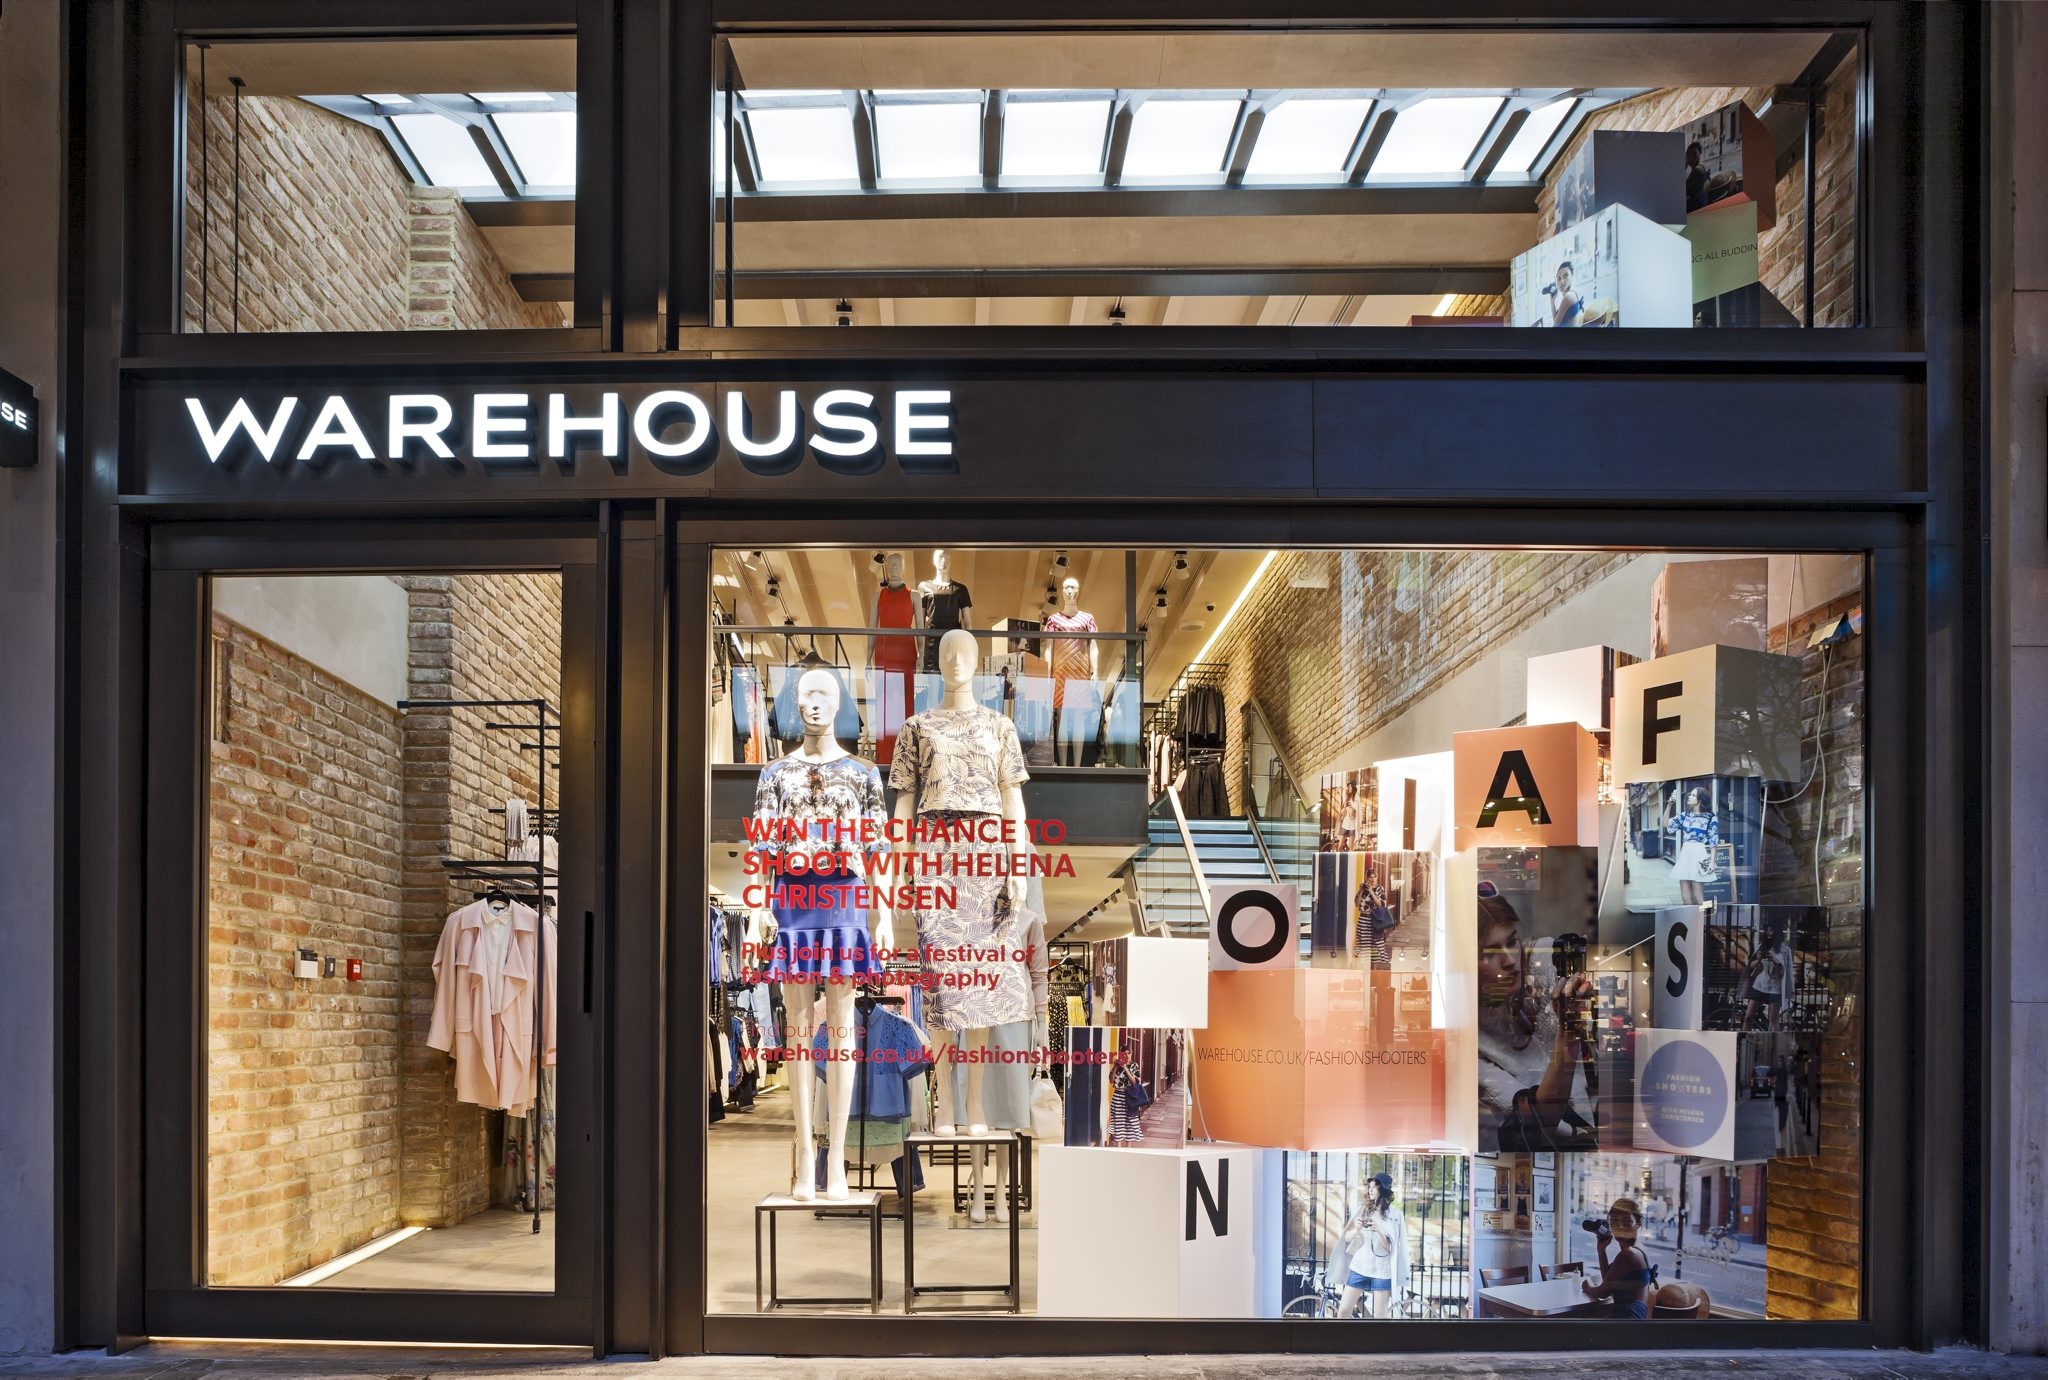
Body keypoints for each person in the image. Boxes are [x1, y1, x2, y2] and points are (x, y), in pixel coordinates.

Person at [1476, 886, 1597, 1151]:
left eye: (1511, 941)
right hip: (1560, 1147)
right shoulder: (1471, 1040)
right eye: (1490, 953)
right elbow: (1540, 1118)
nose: (1510, 960)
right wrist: (1568, 1032)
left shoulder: (1545, 959)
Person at [1336, 1172, 1406, 1319]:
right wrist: (1357, 1228)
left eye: (1375, 1187)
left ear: (1384, 1190)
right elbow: (1347, 1238)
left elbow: (1391, 1250)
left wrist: (1381, 1232)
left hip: (1382, 1270)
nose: (1370, 1190)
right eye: (1369, 1187)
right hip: (1360, 1267)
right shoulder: (1362, 1209)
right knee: (1343, 1312)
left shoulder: (1395, 1216)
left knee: (1380, 1316)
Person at [1581, 1197, 1654, 1319]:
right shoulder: (1638, 1249)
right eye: (1614, 1221)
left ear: (1638, 1223)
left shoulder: (1628, 1255)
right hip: (1635, 1320)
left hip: (1626, 1323)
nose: (1619, 1226)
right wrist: (1601, 1250)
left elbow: (1602, 1292)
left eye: (1627, 1222)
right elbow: (1608, 1281)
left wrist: (1587, 1288)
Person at [1666, 785, 1719, 906]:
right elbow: (1665, 824)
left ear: (1700, 799)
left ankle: (1706, 919)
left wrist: (1712, 861)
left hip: (1700, 855)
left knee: (1698, 897)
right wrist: (1669, 804)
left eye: (1693, 795)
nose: (1689, 796)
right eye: (1690, 794)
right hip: (1685, 855)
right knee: (1685, 899)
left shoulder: (1711, 817)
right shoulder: (1685, 815)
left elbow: (1713, 840)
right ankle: (1690, 922)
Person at [1740, 919, 1796, 1032]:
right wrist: (1758, 959)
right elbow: (1751, 966)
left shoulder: (1784, 949)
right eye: (1768, 930)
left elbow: (1787, 971)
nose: (1769, 932)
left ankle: (1774, 1044)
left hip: (1775, 988)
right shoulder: (1762, 945)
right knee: (1748, 1017)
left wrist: (1775, 961)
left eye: (1772, 930)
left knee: (1774, 1020)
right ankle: (1744, 1038)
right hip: (1759, 985)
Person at [1548, 261, 1583, 327]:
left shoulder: (1568, 297)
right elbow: (1556, 321)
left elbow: (1555, 326)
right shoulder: (1574, 292)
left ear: (1572, 275)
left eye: (1566, 275)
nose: (1562, 281)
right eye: (1559, 278)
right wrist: (1552, 302)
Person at [1685, 139, 1711, 211]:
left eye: (1694, 154)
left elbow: (1686, 191)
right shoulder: (1701, 167)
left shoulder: (1697, 170)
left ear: (1699, 154)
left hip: (1697, 206)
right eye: (1688, 155)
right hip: (1700, 204)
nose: (1691, 157)